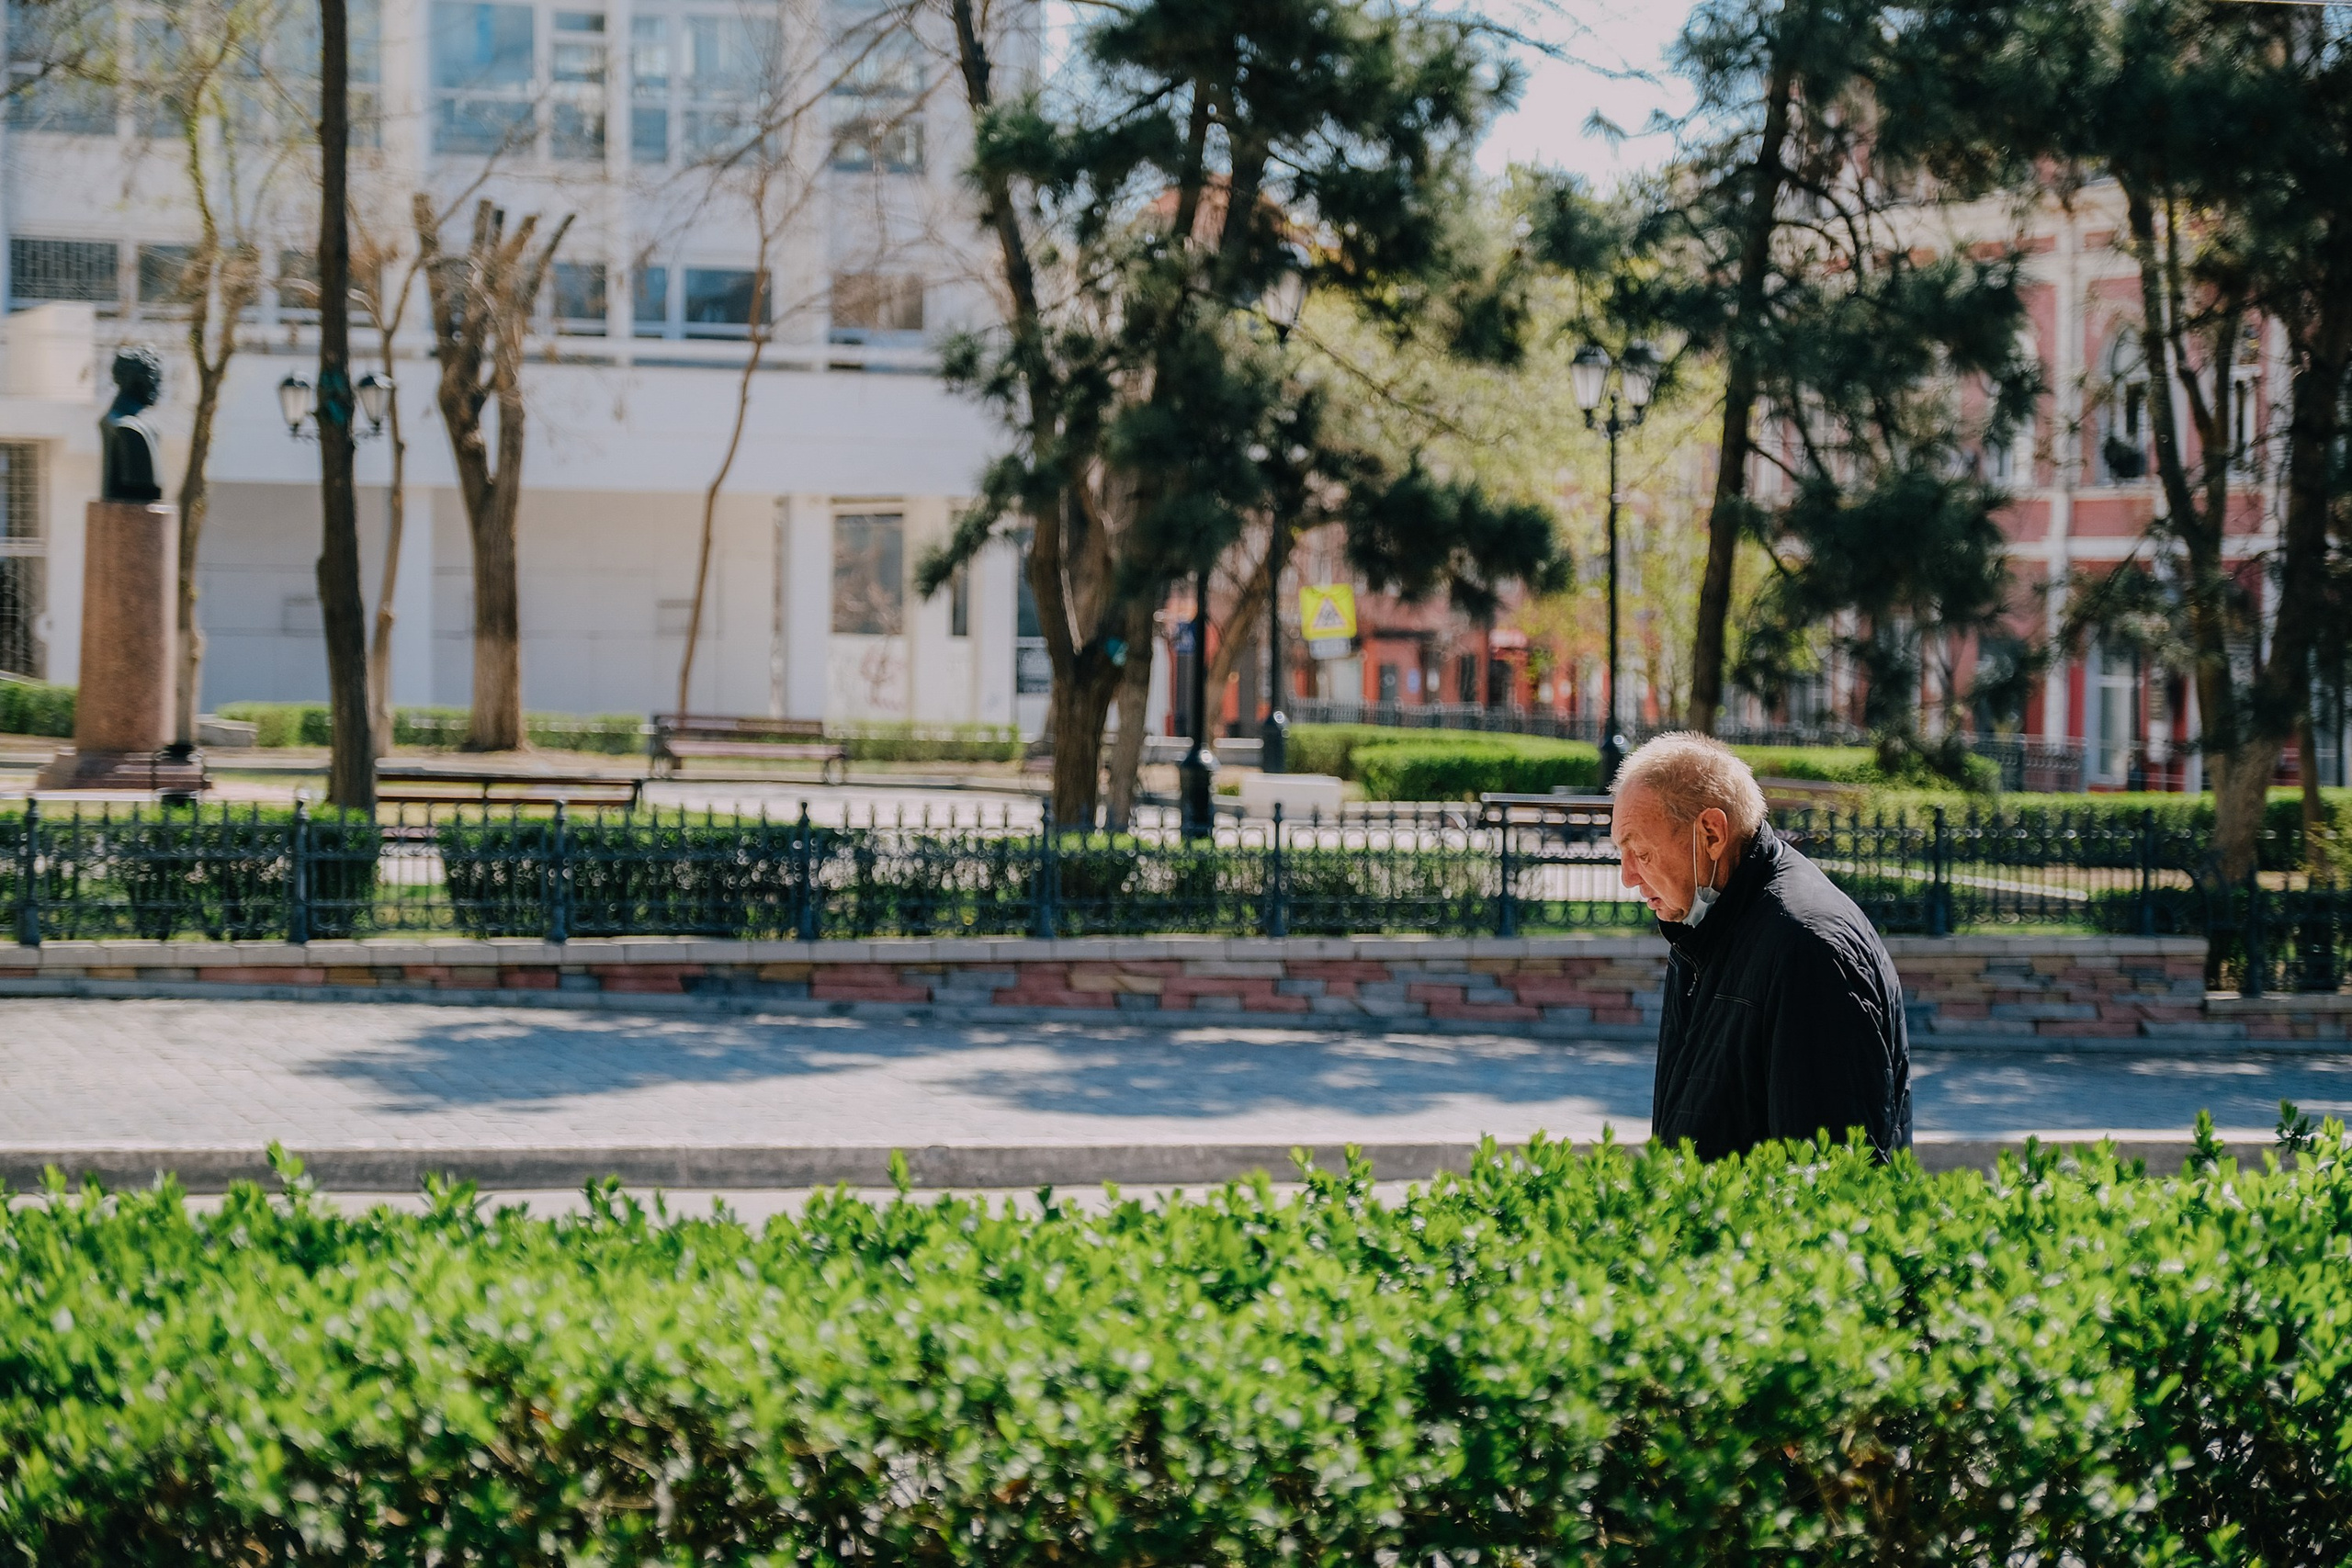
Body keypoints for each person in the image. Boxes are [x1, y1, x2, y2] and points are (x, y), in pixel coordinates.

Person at [1611, 732, 1911, 1160]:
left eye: (1640, 851)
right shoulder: (1705, 923)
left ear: (1712, 834)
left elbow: (1829, 1183)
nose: (1628, 876)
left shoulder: (1807, 949)